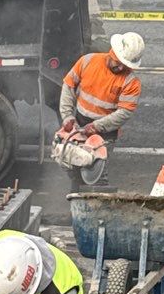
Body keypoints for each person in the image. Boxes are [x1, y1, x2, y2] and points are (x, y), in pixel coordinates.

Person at [56, 31, 145, 181]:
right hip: (79, 122)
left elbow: (124, 113)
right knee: (74, 169)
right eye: (118, 62)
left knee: (96, 176)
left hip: (106, 131)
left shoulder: (131, 83)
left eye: (125, 65)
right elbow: (69, 85)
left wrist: (97, 126)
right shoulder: (87, 61)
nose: (121, 68)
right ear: (112, 52)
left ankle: (96, 192)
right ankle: (76, 190)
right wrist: (67, 116)